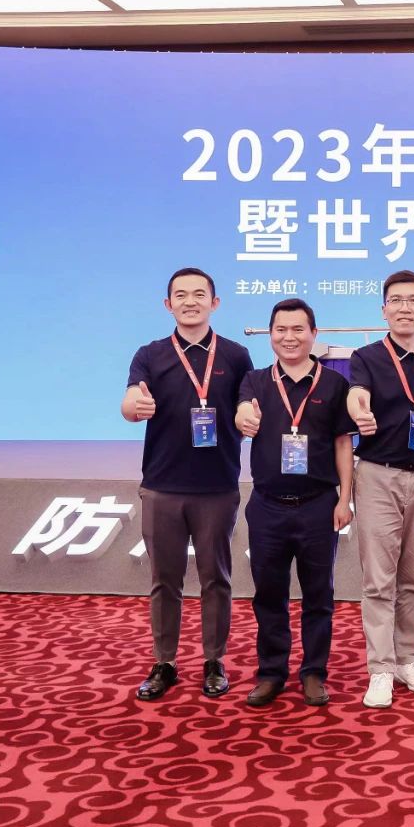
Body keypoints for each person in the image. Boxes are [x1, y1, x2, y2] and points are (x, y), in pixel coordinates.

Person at [121, 267, 252, 701]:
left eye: (199, 294)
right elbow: (130, 401)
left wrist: (246, 414)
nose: (190, 301)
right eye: (180, 295)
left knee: (216, 579)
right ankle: (165, 662)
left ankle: (214, 660)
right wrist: (133, 406)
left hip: (217, 487)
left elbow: (246, 403)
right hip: (162, 486)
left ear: (215, 303)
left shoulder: (235, 355)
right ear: (168, 304)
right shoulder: (150, 354)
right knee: (165, 580)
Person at [234, 298, 355, 707]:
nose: (289, 337)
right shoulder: (255, 381)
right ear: (271, 335)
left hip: (318, 505)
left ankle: (314, 672)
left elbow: (343, 444)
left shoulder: (334, 384)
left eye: (298, 329)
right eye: (281, 330)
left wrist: (345, 499)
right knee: (269, 595)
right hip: (267, 506)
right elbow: (242, 413)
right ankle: (271, 672)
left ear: (313, 334)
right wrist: (243, 418)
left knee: (319, 595)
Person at [345, 270, 414, 709]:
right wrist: (359, 408)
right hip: (378, 474)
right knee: (378, 579)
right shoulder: (367, 356)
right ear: (384, 309)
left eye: (413, 300)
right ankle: (380, 668)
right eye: (396, 300)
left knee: (413, 576)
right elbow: (357, 393)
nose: (404, 308)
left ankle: (408, 658)